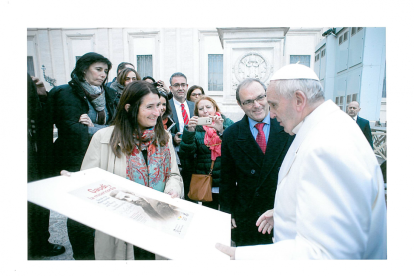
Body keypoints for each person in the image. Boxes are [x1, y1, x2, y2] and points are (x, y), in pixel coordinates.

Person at [216, 64, 387, 260]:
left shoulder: (327, 145)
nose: (270, 114)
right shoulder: (325, 127)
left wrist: (242, 256)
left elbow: (329, 254)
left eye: (274, 104)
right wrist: (283, 212)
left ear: (299, 100)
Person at [80, 80, 183, 260]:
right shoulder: (103, 138)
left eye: (158, 105)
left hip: (159, 225)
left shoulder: (164, 137)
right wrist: (72, 182)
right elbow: (87, 184)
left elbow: (173, 174)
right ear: (130, 107)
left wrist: (173, 189)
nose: (157, 112)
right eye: (149, 107)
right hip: (121, 231)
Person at [47, 52, 117, 260]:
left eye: (105, 71)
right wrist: (102, 130)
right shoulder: (65, 93)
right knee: (79, 211)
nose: (103, 75)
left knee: (101, 208)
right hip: (75, 160)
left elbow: (117, 128)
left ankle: (100, 252)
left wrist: (94, 128)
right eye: (98, 69)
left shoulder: (110, 95)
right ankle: (83, 257)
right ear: (83, 69)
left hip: (104, 158)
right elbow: (71, 130)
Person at [219, 78, 294, 246]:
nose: (257, 105)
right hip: (247, 216)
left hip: (281, 213)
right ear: (240, 104)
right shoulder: (232, 134)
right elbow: (227, 179)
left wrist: (284, 210)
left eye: (261, 98)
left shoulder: (288, 126)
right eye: (248, 101)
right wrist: (227, 212)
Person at [27, 74, 65, 258]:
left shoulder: (27, 80)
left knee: (37, 200)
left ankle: (39, 243)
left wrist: (41, 94)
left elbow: (41, 116)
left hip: (36, 155)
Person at [179, 96, 234, 210]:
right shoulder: (195, 128)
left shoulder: (227, 123)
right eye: (201, 108)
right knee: (209, 214)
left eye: (208, 107)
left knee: (228, 214)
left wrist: (221, 130)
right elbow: (186, 154)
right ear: (197, 113)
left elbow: (235, 148)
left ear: (215, 108)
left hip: (227, 180)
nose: (205, 111)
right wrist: (190, 131)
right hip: (206, 180)